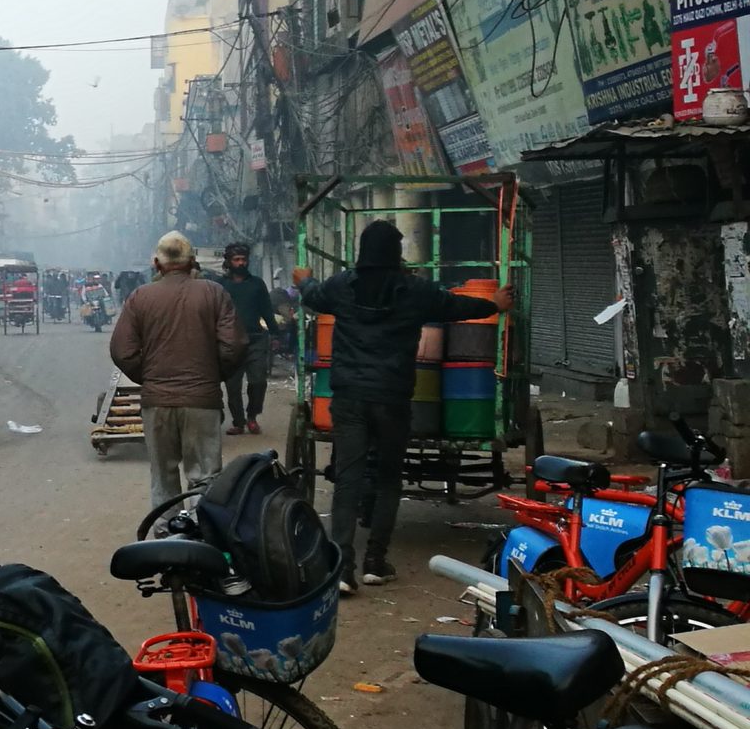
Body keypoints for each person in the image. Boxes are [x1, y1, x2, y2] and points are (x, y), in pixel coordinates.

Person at [296, 220, 501, 592]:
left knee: (348, 480)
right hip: (392, 398)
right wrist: (494, 303)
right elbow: (455, 306)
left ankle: (342, 568)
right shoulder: (415, 290)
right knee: (390, 479)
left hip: (350, 398)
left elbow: (312, 295)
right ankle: (376, 561)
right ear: (395, 252)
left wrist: (303, 279)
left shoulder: (342, 286)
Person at [109, 231, 246, 510]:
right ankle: (201, 539)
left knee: (163, 479)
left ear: (157, 265)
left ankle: (166, 538)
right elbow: (234, 345)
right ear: (192, 262)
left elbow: (122, 351)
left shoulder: (140, 297)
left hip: (157, 402)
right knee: (205, 478)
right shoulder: (214, 293)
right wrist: (210, 376)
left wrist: (150, 378)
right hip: (202, 401)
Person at [215, 240, 279, 435]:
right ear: (229, 261)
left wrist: (275, 334)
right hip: (230, 343)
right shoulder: (220, 286)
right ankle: (238, 421)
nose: (241, 263)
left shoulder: (257, 284)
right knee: (233, 386)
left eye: (244, 259)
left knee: (258, 380)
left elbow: (267, 311)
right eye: (237, 259)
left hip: (255, 340)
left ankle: (252, 416)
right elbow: (213, 313)